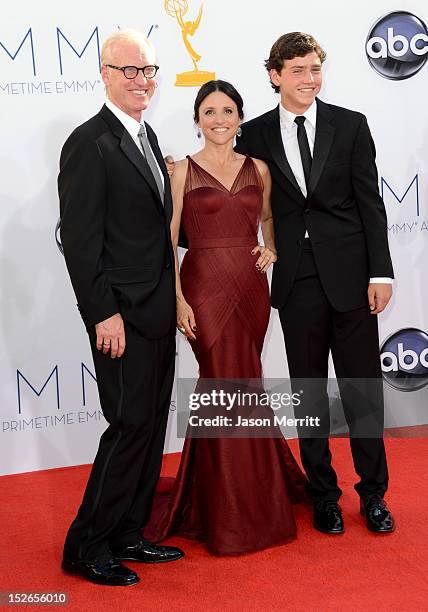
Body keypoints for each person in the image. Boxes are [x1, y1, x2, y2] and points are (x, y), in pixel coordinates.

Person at [235, 32, 395, 534]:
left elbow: (371, 202)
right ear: (275, 75)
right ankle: (323, 493)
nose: (309, 79)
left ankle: (373, 495)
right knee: (308, 393)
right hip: (297, 280)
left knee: (361, 391)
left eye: (315, 69)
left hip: (352, 279)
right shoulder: (255, 134)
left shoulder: (350, 126)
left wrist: (381, 271)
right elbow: (229, 178)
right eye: (298, 70)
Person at [145, 80, 307, 556]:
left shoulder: (258, 168)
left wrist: (270, 247)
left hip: (250, 287)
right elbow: (167, 239)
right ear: (197, 119)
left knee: (246, 381)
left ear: (240, 118)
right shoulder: (181, 171)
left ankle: (247, 497)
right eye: (210, 112)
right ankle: (228, 506)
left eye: (229, 111)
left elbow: (271, 218)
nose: (220, 120)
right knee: (221, 378)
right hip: (203, 287)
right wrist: (177, 298)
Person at [58, 28, 183, 587]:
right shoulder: (90, 142)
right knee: (128, 425)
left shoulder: (147, 136)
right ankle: (87, 544)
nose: (142, 81)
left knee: (152, 425)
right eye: (129, 71)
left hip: (156, 310)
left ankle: (129, 531)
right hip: (121, 317)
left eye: (149, 71)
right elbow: (81, 243)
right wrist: (101, 313)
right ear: (104, 74)